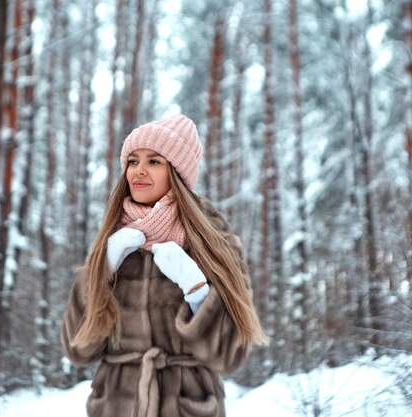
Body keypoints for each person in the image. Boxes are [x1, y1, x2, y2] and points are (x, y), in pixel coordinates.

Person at [60, 115, 268, 417]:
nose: (139, 170)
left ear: (177, 172)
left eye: (154, 161)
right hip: (116, 406)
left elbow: (231, 355)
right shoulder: (113, 238)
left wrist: (196, 289)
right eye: (133, 161)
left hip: (186, 406)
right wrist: (100, 272)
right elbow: (78, 350)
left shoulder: (215, 241)